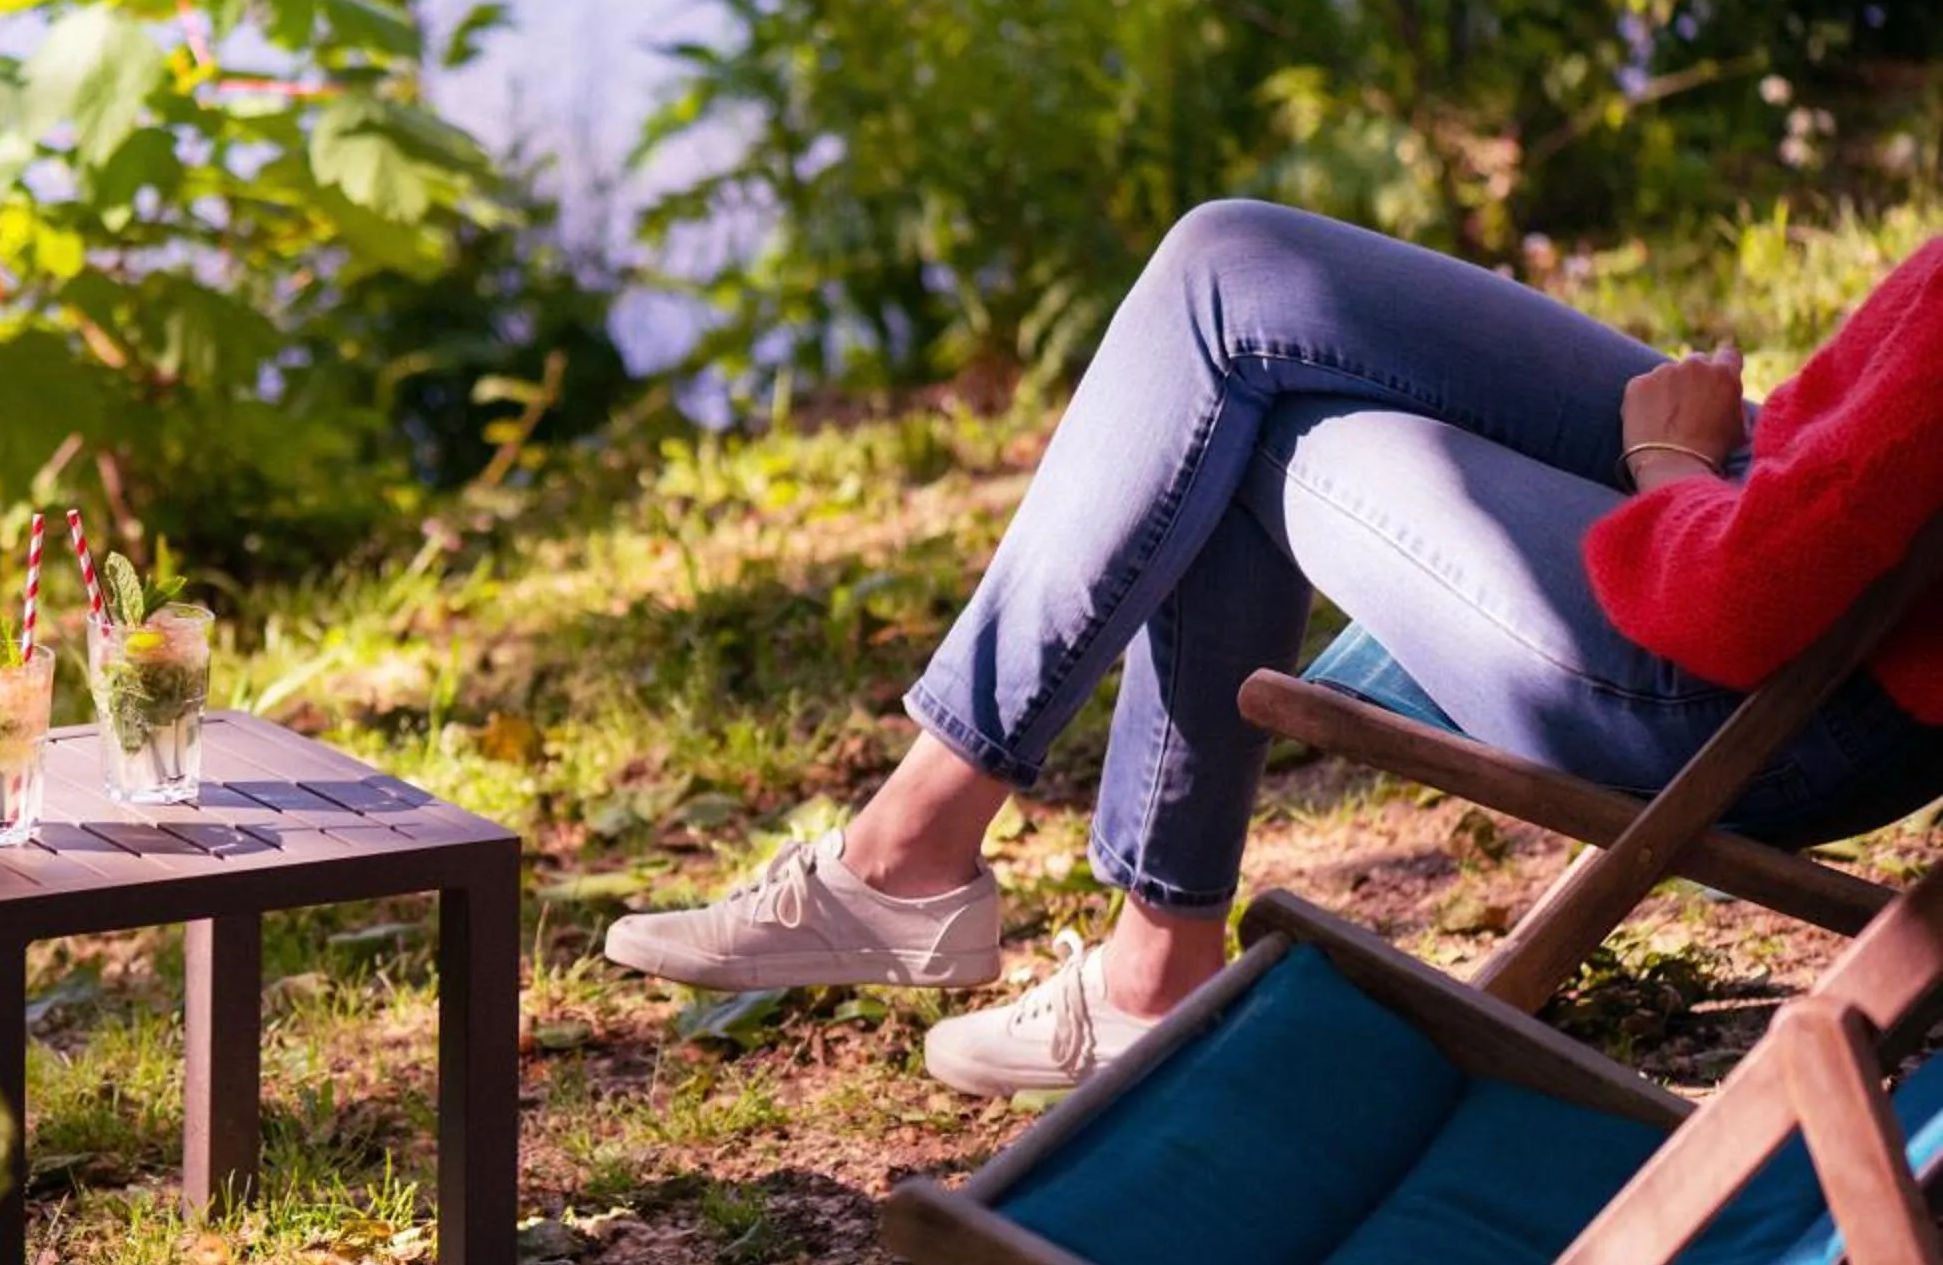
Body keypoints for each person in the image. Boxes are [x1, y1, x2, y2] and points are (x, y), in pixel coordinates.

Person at [604, 199, 1943, 1098]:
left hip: (1748, 690)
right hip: (1788, 520)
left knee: (1250, 425)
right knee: (1230, 268)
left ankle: (964, 887)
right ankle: (990, 893)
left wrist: (1669, 462)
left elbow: (1739, 603)